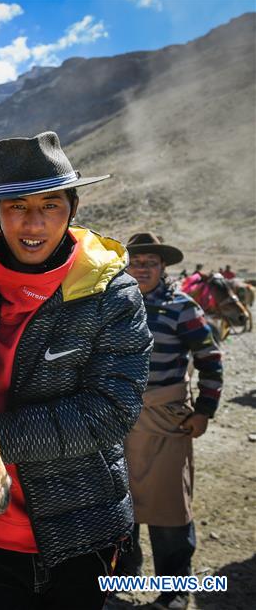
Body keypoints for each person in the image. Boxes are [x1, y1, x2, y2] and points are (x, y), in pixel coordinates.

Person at [0, 131, 152, 609]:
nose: (34, 222)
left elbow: (110, 410)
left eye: (51, 204)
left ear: (73, 209)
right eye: (17, 206)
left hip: (84, 527)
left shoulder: (111, 294)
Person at [120, 232, 223, 610]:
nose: (142, 268)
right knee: (120, 505)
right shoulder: (112, 304)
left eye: (150, 263)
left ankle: (174, 589)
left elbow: (210, 359)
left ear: (163, 267)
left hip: (166, 421)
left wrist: (205, 411)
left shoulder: (183, 307)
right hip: (118, 421)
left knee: (170, 511)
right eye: (135, 262)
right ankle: (119, 578)